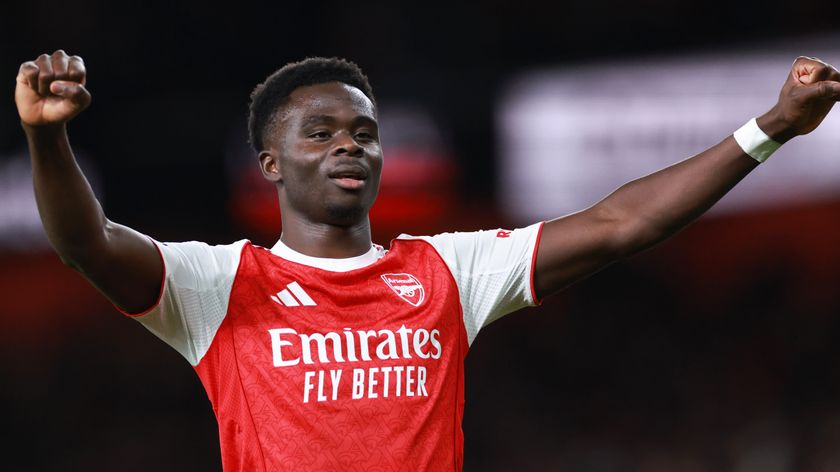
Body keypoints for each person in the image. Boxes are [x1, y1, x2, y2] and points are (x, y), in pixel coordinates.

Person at [15, 49, 840, 471]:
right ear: (271, 164)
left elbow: (624, 222)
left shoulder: (451, 270)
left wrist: (770, 128)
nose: (350, 145)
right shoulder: (220, 285)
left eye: (365, 133)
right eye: (321, 132)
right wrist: (47, 136)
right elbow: (85, 243)